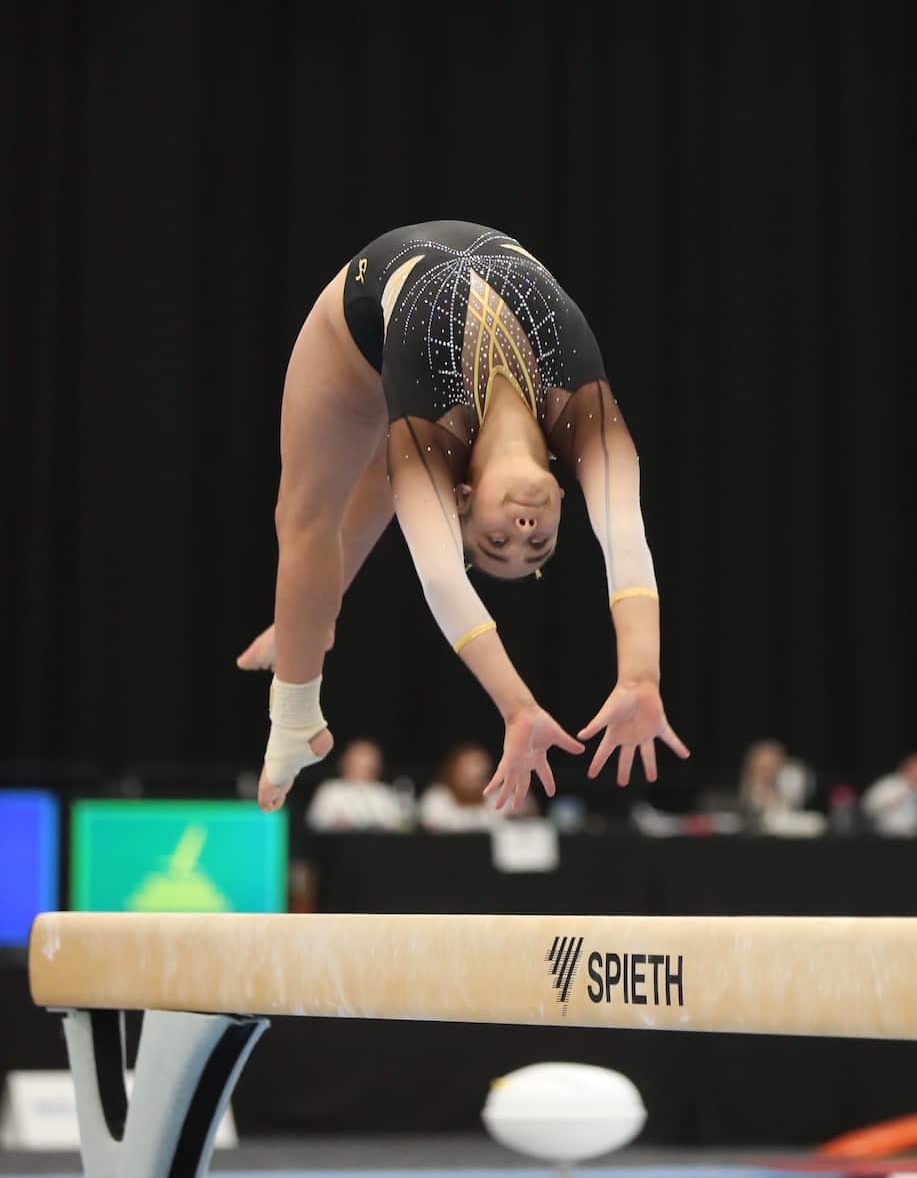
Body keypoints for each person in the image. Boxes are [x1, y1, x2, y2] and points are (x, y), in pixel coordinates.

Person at [236, 222, 688, 815]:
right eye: (538, 542)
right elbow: (627, 537)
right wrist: (640, 676)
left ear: (464, 499)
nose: (524, 533)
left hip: (355, 334)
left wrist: (517, 707)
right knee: (357, 496)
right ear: (559, 495)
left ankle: (294, 711)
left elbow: (444, 579)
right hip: (401, 345)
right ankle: (306, 620)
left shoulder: (432, 449)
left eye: (496, 541)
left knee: (306, 515)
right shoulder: (583, 418)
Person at [305, 738, 406, 833]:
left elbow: (397, 825)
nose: (362, 765)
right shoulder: (330, 790)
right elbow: (317, 823)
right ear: (345, 761)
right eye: (357, 759)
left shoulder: (384, 793)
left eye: (368, 759)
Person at [419, 741, 505, 833]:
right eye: (467, 775)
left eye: (478, 777)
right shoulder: (435, 799)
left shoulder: (500, 798)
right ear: (453, 771)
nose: (472, 784)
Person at [860, 751, 917, 838]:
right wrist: (905, 791)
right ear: (910, 766)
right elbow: (868, 807)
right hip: (886, 835)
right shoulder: (889, 784)